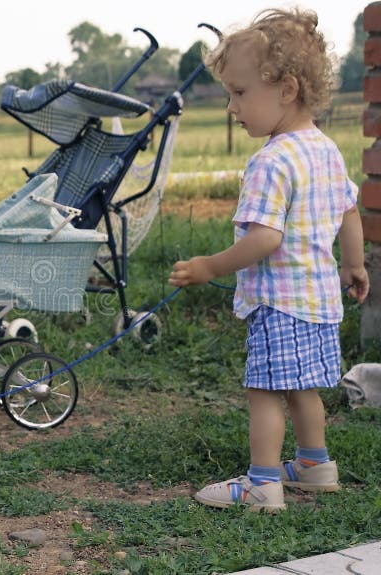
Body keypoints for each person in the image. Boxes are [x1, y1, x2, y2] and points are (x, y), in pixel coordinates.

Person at [168, 8, 370, 511]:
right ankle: (313, 464)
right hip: (320, 299)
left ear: (285, 89)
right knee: (304, 388)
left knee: (264, 391)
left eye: (239, 93)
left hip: (280, 302)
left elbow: (265, 239)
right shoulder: (325, 149)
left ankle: (262, 484)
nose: (232, 107)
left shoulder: (271, 160)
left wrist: (210, 266)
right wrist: (354, 265)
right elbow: (349, 209)